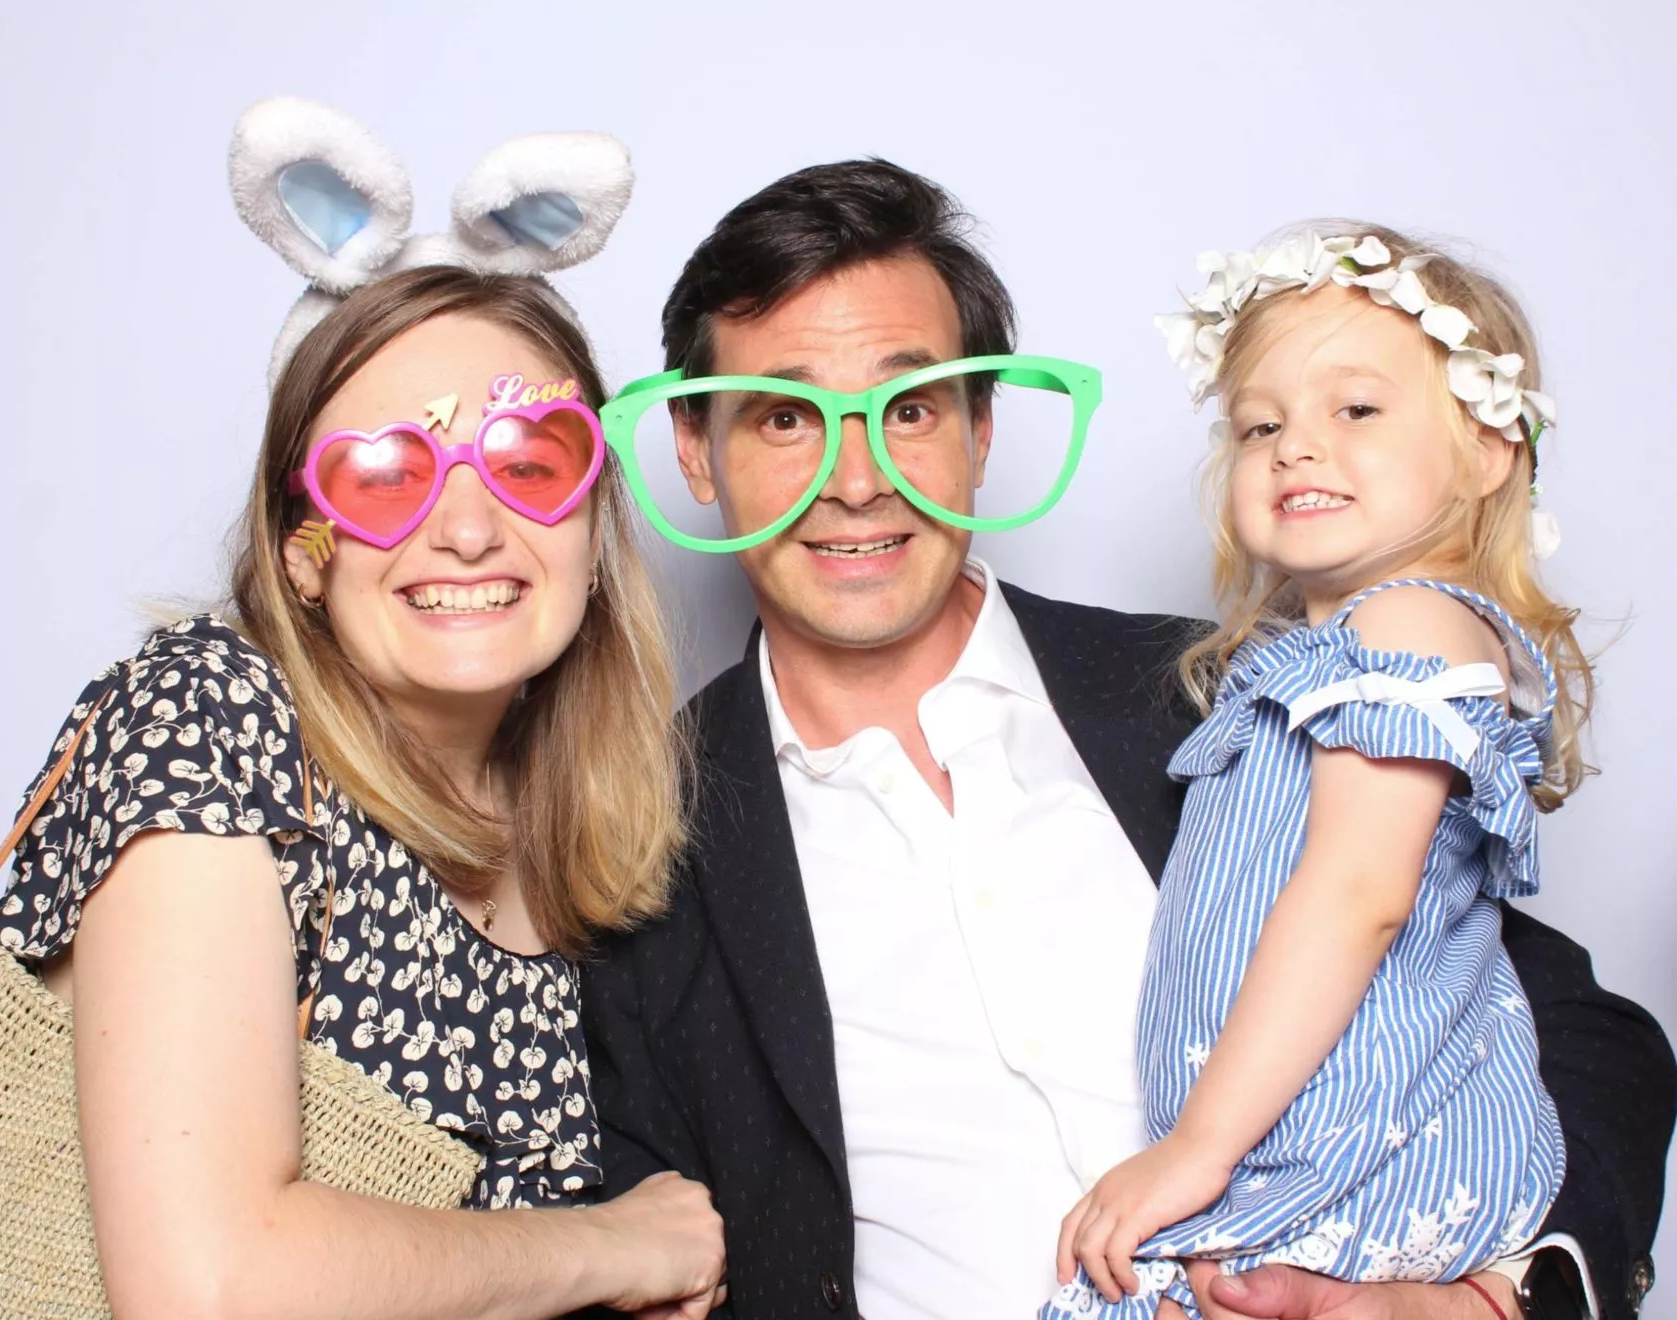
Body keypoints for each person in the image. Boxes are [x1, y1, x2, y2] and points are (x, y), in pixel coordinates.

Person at [581, 162, 1675, 1320]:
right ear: (696, 451)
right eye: (786, 417)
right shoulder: (632, 843)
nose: (859, 481)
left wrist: (1487, 1305)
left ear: (980, 429)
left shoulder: (1229, 697)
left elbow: (1580, 1034)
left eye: (910, 409)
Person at [0, 263, 727, 1320]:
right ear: (302, 552)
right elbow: (209, 1289)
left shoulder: (584, 835)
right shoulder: (213, 713)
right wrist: (612, 1245)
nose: (467, 530)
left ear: (592, 529)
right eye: (383, 475)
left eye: (530, 464)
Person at [1046, 225, 1581, 1317]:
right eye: (1262, 424)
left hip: (1365, 1141)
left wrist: (1197, 1147)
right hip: (1294, 1121)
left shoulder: (1411, 626)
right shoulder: (1320, 654)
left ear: (1487, 449)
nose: (1296, 448)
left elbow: (1357, 895)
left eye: (1357, 410)